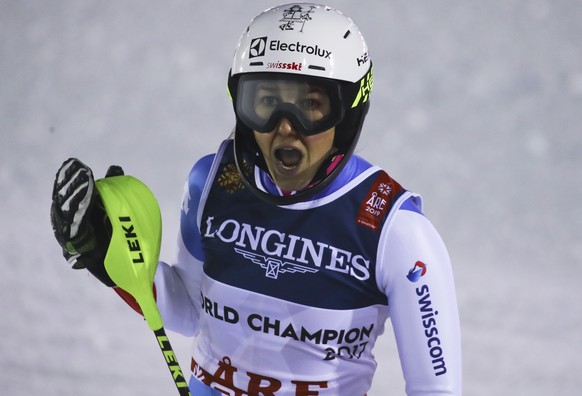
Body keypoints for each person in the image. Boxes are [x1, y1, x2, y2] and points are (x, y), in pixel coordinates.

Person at [50, 3, 462, 395]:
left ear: (349, 110)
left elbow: (436, 389)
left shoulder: (397, 231)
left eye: (311, 106)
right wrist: (109, 258)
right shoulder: (212, 182)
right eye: (265, 103)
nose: (285, 127)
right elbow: (192, 311)